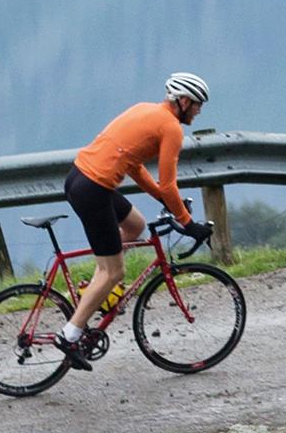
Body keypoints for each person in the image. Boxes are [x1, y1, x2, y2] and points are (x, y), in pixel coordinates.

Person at [53, 72, 211, 370]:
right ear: (185, 101)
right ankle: (69, 334)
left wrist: (162, 201)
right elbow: (168, 184)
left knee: (135, 226)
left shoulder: (145, 109)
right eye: (198, 105)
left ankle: (96, 292)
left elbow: (136, 167)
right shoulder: (172, 129)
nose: (199, 112)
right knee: (114, 271)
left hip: (80, 177)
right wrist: (188, 222)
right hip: (94, 189)